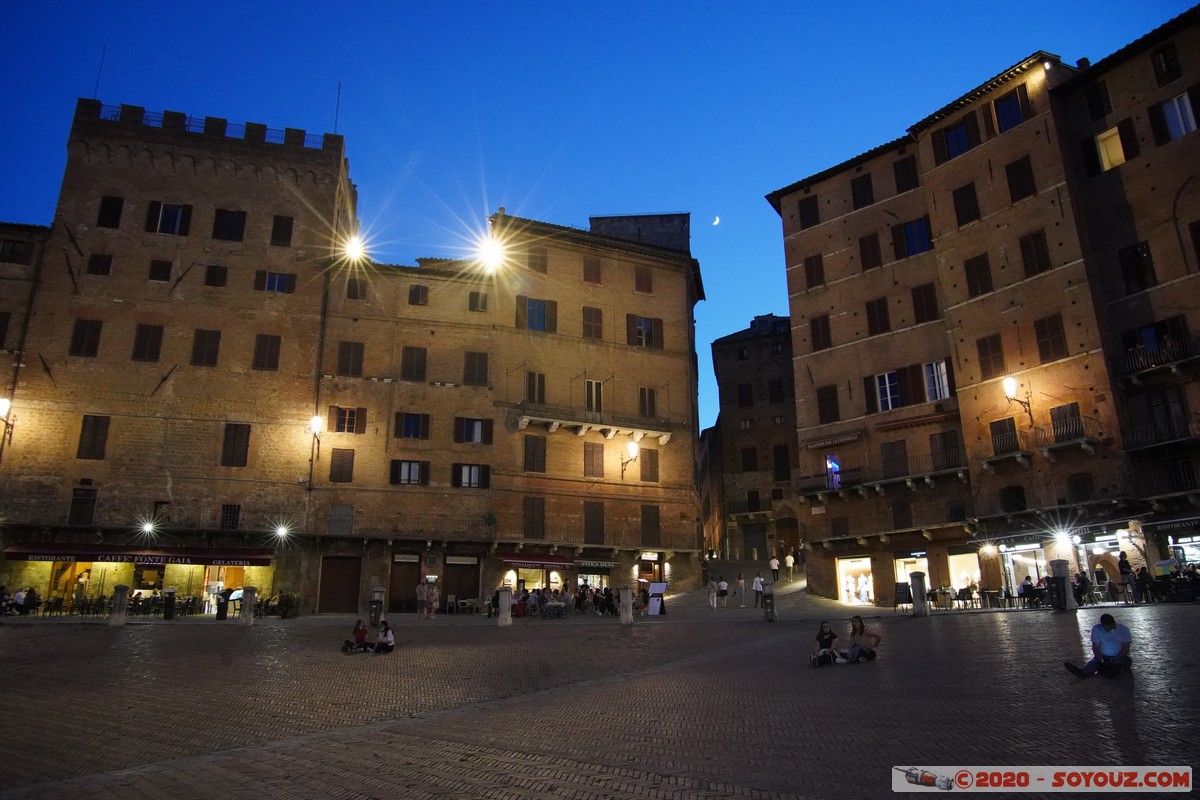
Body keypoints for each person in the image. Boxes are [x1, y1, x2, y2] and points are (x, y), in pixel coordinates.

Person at [1064, 613, 1132, 678]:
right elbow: (1095, 646)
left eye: (1110, 627)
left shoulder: (1123, 629)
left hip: (1120, 657)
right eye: (1106, 628)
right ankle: (1083, 672)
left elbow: (1125, 647)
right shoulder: (1097, 629)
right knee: (1094, 662)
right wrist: (1100, 658)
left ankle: (1113, 670)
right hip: (1103, 657)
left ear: (1113, 623)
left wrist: (1114, 659)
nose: (1108, 629)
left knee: (1123, 662)